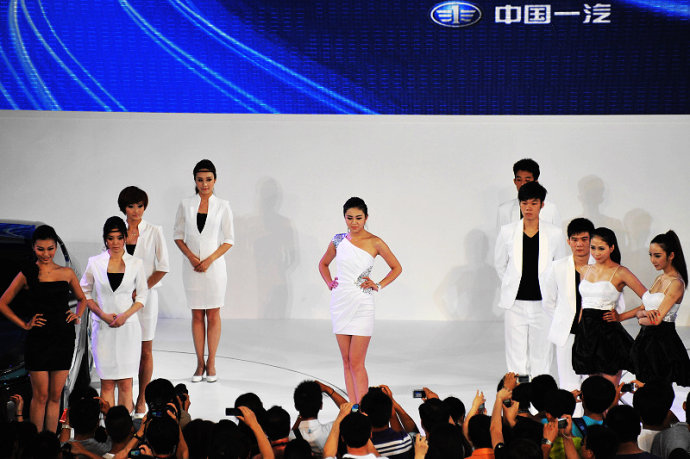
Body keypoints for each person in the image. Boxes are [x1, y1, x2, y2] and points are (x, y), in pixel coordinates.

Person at [0, 225, 86, 432]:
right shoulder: (27, 273)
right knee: (40, 396)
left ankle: (50, 442)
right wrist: (24, 324)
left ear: (55, 247)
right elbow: (3, 302)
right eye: (40, 249)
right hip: (38, 339)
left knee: (55, 396)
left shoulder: (66, 273)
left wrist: (77, 315)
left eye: (50, 249)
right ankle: (35, 442)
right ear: (34, 248)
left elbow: (82, 298)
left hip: (63, 338)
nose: (46, 254)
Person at [318, 197, 402, 402]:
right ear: (344, 218)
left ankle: (364, 409)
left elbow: (396, 267)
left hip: (362, 303)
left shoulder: (375, 242)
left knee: (357, 362)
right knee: (346, 361)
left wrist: (378, 284)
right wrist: (329, 282)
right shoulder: (338, 240)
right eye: (349, 218)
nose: (354, 222)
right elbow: (323, 264)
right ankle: (354, 406)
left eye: (358, 217)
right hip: (340, 302)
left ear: (366, 218)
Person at [495, 181, 568, 377]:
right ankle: (517, 392)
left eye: (534, 203)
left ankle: (539, 391)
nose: (528, 208)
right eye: (524, 203)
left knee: (542, 352)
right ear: (519, 204)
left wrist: (555, 296)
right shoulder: (508, 231)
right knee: (515, 352)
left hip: (543, 302)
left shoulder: (554, 233)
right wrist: (511, 284)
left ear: (542, 205)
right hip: (515, 302)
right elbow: (500, 264)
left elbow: (560, 266)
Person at [174, 159, 235, 383]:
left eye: (208, 179)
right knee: (197, 314)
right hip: (191, 268)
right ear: (195, 181)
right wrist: (191, 257)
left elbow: (229, 240)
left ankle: (212, 362)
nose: (204, 184)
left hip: (215, 268)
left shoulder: (223, 205)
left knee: (214, 313)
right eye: (200, 180)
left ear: (215, 180)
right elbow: (177, 235)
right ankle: (199, 363)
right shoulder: (185, 204)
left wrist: (209, 260)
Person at [80, 216, 148, 411]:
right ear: (105, 239)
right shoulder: (95, 262)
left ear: (125, 238)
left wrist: (125, 315)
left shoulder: (136, 263)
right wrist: (101, 314)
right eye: (111, 238)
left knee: (126, 383)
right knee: (107, 383)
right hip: (103, 329)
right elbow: (84, 292)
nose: (115, 242)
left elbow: (142, 296)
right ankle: (108, 426)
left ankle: (125, 427)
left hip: (128, 329)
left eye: (119, 237)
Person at [118, 186, 170, 415]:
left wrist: (141, 289)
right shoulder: (117, 231)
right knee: (125, 347)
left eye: (140, 206)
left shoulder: (154, 231)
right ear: (124, 208)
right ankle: (126, 396)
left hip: (147, 298)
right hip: (121, 298)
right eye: (131, 206)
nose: (136, 211)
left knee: (145, 349)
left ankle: (142, 399)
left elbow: (163, 267)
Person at [571, 227, 647, 386]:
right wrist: (580, 330)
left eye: (601, 248)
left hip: (608, 333)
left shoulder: (621, 272)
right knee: (593, 388)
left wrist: (621, 316)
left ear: (612, 248)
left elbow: (649, 300)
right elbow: (584, 303)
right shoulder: (585, 270)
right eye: (593, 248)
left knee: (610, 388)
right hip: (587, 333)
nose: (596, 253)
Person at [630, 230, 690, 386]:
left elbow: (656, 320)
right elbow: (643, 309)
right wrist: (641, 314)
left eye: (657, 256)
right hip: (645, 339)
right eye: (650, 255)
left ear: (671, 255)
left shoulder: (676, 283)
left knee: (658, 388)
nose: (652, 260)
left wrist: (641, 318)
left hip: (662, 342)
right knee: (644, 386)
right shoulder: (659, 278)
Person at [543, 218, 596, 391]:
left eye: (584, 239)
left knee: (594, 382)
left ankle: (592, 410)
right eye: (575, 239)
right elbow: (548, 301)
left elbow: (616, 300)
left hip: (595, 332)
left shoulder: (601, 266)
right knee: (568, 383)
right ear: (568, 241)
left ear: (592, 240)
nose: (579, 244)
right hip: (567, 333)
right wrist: (563, 319)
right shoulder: (557, 267)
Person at [496, 158, 561, 229]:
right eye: (519, 180)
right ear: (515, 181)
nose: (522, 184)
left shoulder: (551, 209)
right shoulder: (504, 210)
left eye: (527, 180)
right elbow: (500, 235)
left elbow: (557, 234)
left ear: (536, 182)